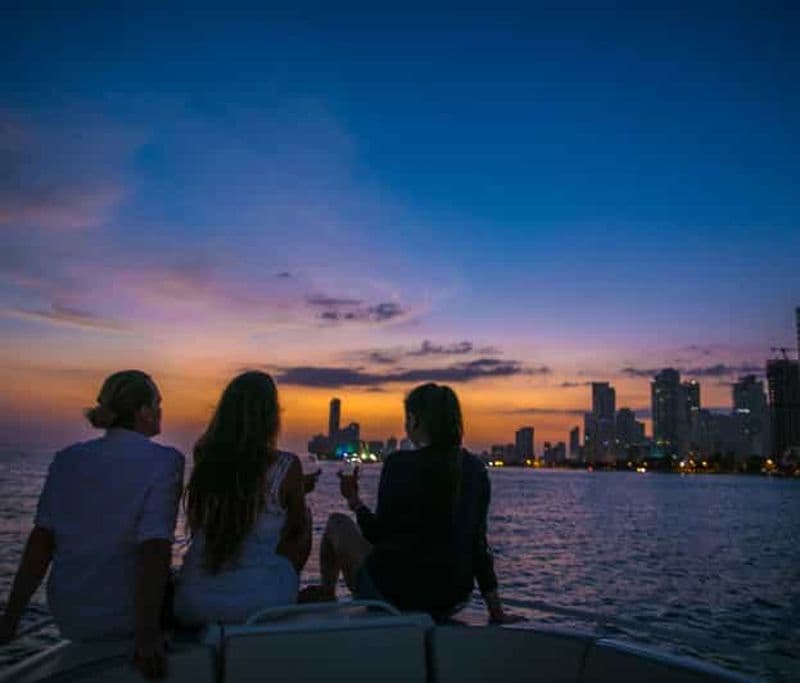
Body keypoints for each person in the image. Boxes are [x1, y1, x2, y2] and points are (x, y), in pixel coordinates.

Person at [0, 370, 184, 680]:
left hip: (68, 616)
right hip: (125, 616)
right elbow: (154, 548)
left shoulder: (67, 459)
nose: (161, 411)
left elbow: (41, 541)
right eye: (157, 403)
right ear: (143, 411)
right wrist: (146, 635)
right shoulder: (166, 461)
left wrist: (11, 618)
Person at [306, 382, 517, 623]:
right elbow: (478, 545)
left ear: (414, 420)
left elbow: (378, 534)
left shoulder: (399, 464)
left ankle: (326, 595)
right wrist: (496, 611)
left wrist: (355, 502)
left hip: (395, 597)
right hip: (452, 599)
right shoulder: (476, 469)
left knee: (337, 524)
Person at [173, 371, 309, 625]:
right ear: (271, 416)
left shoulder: (204, 457)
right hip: (260, 604)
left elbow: (229, 500)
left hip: (192, 602)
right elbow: (296, 530)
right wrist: (297, 493)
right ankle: (283, 589)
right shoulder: (286, 466)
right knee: (303, 522)